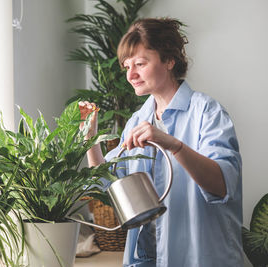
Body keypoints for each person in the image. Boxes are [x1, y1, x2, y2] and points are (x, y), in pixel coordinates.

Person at [79, 18, 243, 267]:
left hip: (200, 259)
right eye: (127, 67)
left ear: (169, 60)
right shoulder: (137, 121)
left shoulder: (207, 112)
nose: (131, 75)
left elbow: (221, 185)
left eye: (140, 64)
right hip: (146, 260)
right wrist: (90, 139)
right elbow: (107, 185)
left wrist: (173, 144)